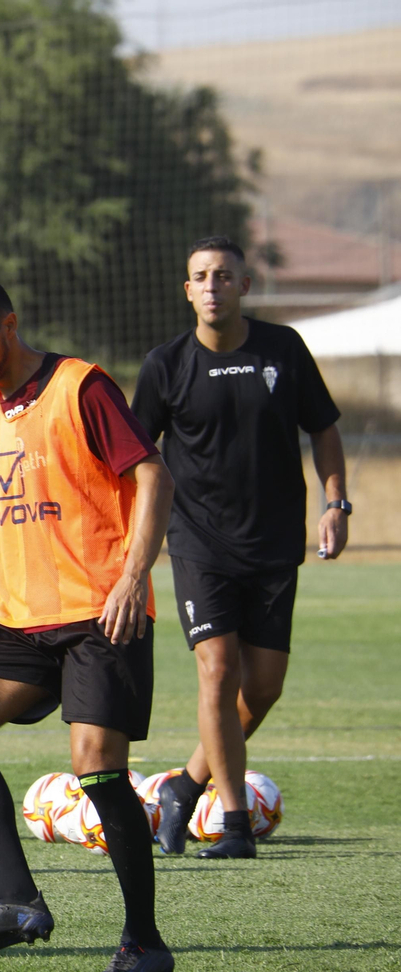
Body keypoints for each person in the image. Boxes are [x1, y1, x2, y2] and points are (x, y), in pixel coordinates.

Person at [0, 274, 177, 972]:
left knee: (97, 768)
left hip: (101, 612)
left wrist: (134, 575)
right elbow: (21, 523)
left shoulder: (81, 387)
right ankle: (16, 901)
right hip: (21, 618)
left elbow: (153, 477)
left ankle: (144, 942)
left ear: (10, 324)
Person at [132, 236, 347, 859]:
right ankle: (233, 824)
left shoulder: (283, 349)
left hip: (276, 543)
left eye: (224, 275)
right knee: (218, 670)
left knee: (265, 689)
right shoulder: (164, 366)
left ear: (244, 286)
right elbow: (135, 458)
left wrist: (336, 504)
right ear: (187, 290)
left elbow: (324, 429)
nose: (212, 286)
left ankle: (184, 786)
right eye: (200, 276)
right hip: (199, 543)